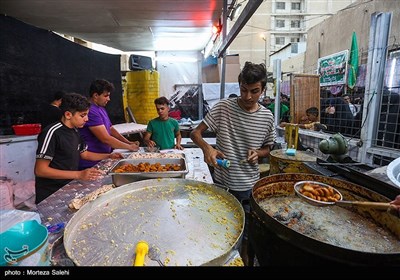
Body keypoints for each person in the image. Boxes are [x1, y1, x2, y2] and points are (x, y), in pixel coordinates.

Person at [190, 61, 276, 206]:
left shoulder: (267, 116)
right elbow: (195, 133)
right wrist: (207, 148)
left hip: (249, 186)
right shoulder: (224, 107)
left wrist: (258, 153)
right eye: (243, 90)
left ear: (263, 90)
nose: (248, 96)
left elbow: (268, 148)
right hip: (222, 184)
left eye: (254, 91)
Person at [34, 93, 123, 203]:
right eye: (82, 115)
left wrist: (109, 155)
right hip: (51, 193)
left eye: (87, 115)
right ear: (68, 115)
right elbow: (40, 170)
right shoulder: (52, 133)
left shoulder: (76, 131)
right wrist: (79, 174)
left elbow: (85, 154)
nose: (86, 119)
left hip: (68, 187)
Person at [78, 79, 139, 169]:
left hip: (103, 158)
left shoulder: (101, 108)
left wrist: (128, 142)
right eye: (106, 96)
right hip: (91, 163)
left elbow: (110, 129)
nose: (108, 99)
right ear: (95, 95)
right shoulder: (91, 111)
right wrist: (129, 147)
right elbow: (105, 138)